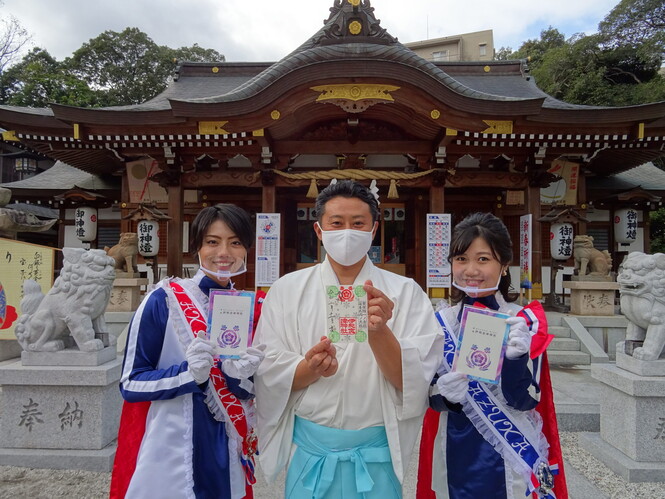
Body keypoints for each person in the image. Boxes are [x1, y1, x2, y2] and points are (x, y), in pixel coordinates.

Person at [254, 180, 443, 498]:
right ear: (318, 230)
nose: (347, 233)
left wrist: (380, 332)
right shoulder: (287, 289)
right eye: (336, 223)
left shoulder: (406, 292)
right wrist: (309, 368)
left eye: (358, 224)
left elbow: (412, 382)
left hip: (375, 457)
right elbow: (268, 370)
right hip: (312, 455)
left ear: (374, 230)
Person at [109, 204, 265, 499]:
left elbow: (245, 393)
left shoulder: (245, 309)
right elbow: (130, 382)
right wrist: (189, 375)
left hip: (226, 445)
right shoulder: (163, 300)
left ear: (247, 250)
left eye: (235, 243)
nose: (224, 253)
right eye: (212, 241)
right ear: (196, 247)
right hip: (173, 445)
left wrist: (239, 377)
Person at [416, 212, 568, 499]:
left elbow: (526, 400)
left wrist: (514, 360)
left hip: (509, 454)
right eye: (461, 259)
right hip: (454, 446)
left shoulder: (522, 322)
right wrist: (444, 395)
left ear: (505, 265)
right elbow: (429, 397)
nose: (470, 269)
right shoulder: (439, 322)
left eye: (483, 259)